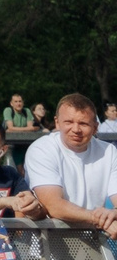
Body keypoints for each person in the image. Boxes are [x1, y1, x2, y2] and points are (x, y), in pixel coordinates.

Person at [25, 94, 117, 239]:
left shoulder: (109, 152)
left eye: (83, 124)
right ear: (57, 123)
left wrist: (114, 213)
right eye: (68, 122)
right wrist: (101, 220)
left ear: (95, 127)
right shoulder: (41, 149)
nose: (76, 129)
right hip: (47, 248)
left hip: (94, 245)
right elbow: (53, 205)